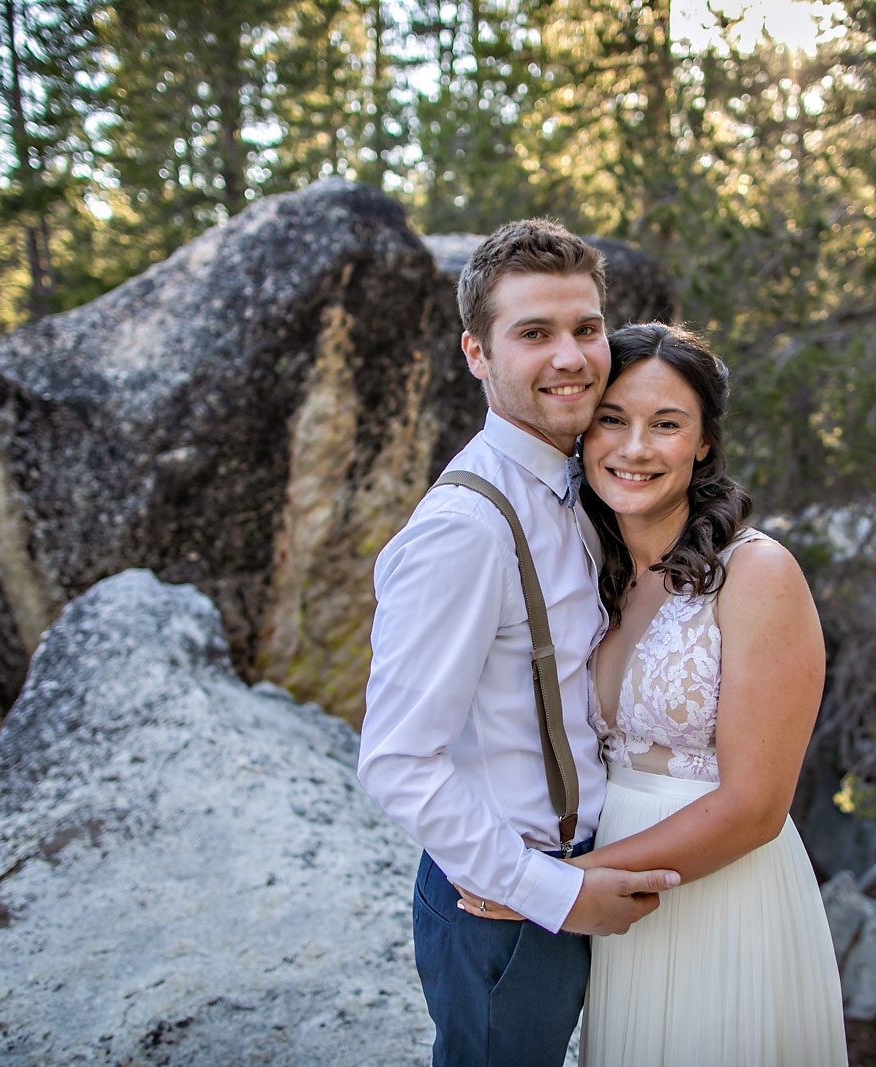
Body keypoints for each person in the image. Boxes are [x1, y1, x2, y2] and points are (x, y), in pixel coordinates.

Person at [460, 322, 848, 1066]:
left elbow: (756, 806)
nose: (634, 448)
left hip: (721, 898)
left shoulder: (757, 574)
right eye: (613, 419)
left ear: (702, 443)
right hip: (623, 912)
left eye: (666, 424)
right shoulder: (591, 564)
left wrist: (554, 887)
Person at [358, 220, 679, 1067]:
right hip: (506, 905)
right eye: (534, 333)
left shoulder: (592, 481)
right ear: (477, 352)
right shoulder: (466, 528)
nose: (571, 356)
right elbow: (395, 759)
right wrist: (552, 893)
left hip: (598, 871)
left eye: (585, 328)